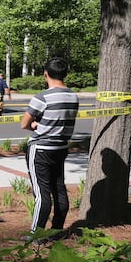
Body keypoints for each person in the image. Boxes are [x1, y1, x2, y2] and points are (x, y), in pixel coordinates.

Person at [20, 57, 79, 233]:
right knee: (59, 188)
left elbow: (24, 124)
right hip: (61, 148)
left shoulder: (42, 97)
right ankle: (57, 230)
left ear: (46, 74)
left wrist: (34, 125)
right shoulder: (73, 96)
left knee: (41, 194)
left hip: (40, 149)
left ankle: (35, 235)